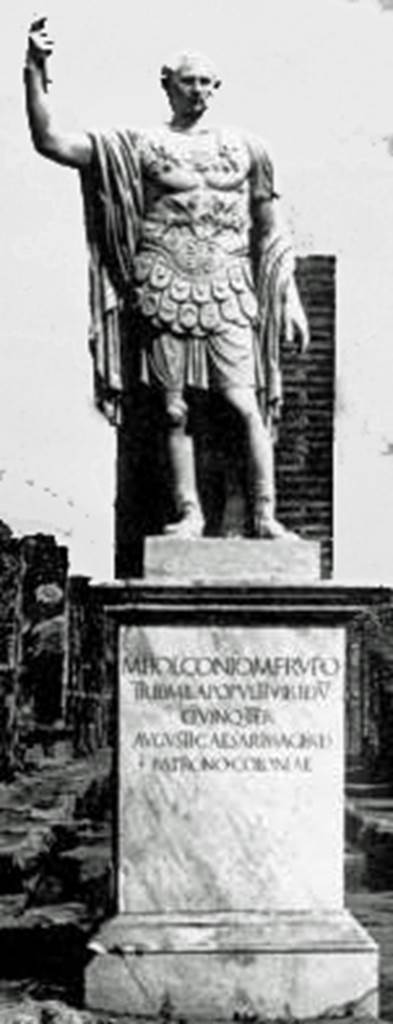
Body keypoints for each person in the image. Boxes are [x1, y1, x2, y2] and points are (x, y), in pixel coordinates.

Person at [24, 17, 309, 540]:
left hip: (227, 285)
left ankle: (265, 515)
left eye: (206, 82)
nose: (198, 91)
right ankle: (188, 513)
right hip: (163, 282)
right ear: (167, 84)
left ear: (217, 88)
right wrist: (35, 69)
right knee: (173, 408)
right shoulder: (138, 144)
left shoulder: (248, 148)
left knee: (242, 402)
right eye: (188, 81)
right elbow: (52, 142)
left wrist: (288, 295)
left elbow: (271, 230)